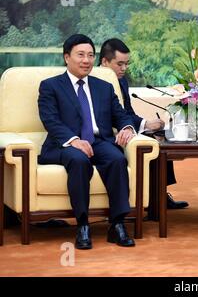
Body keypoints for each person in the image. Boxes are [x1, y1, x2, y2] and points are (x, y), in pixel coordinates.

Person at [38, 34, 137, 249]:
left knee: (117, 159)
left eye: (90, 55)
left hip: (99, 141)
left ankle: (117, 224)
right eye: (80, 55)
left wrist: (127, 127)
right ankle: (83, 225)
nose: (86, 60)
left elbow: (121, 115)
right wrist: (73, 140)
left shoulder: (104, 87)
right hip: (64, 145)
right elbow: (50, 120)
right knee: (79, 159)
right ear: (67, 57)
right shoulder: (51, 86)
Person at [98, 38, 188, 210]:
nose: (124, 69)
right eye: (120, 64)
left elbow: (127, 113)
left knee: (159, 137)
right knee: (150, 137)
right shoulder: (94, 82)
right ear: (104, 61)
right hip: (108, 134)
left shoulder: (121, 80)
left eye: (127, 64)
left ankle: (159, 193)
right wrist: (145, 124)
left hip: (126, 129)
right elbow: (109, 117)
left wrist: (147, 124)